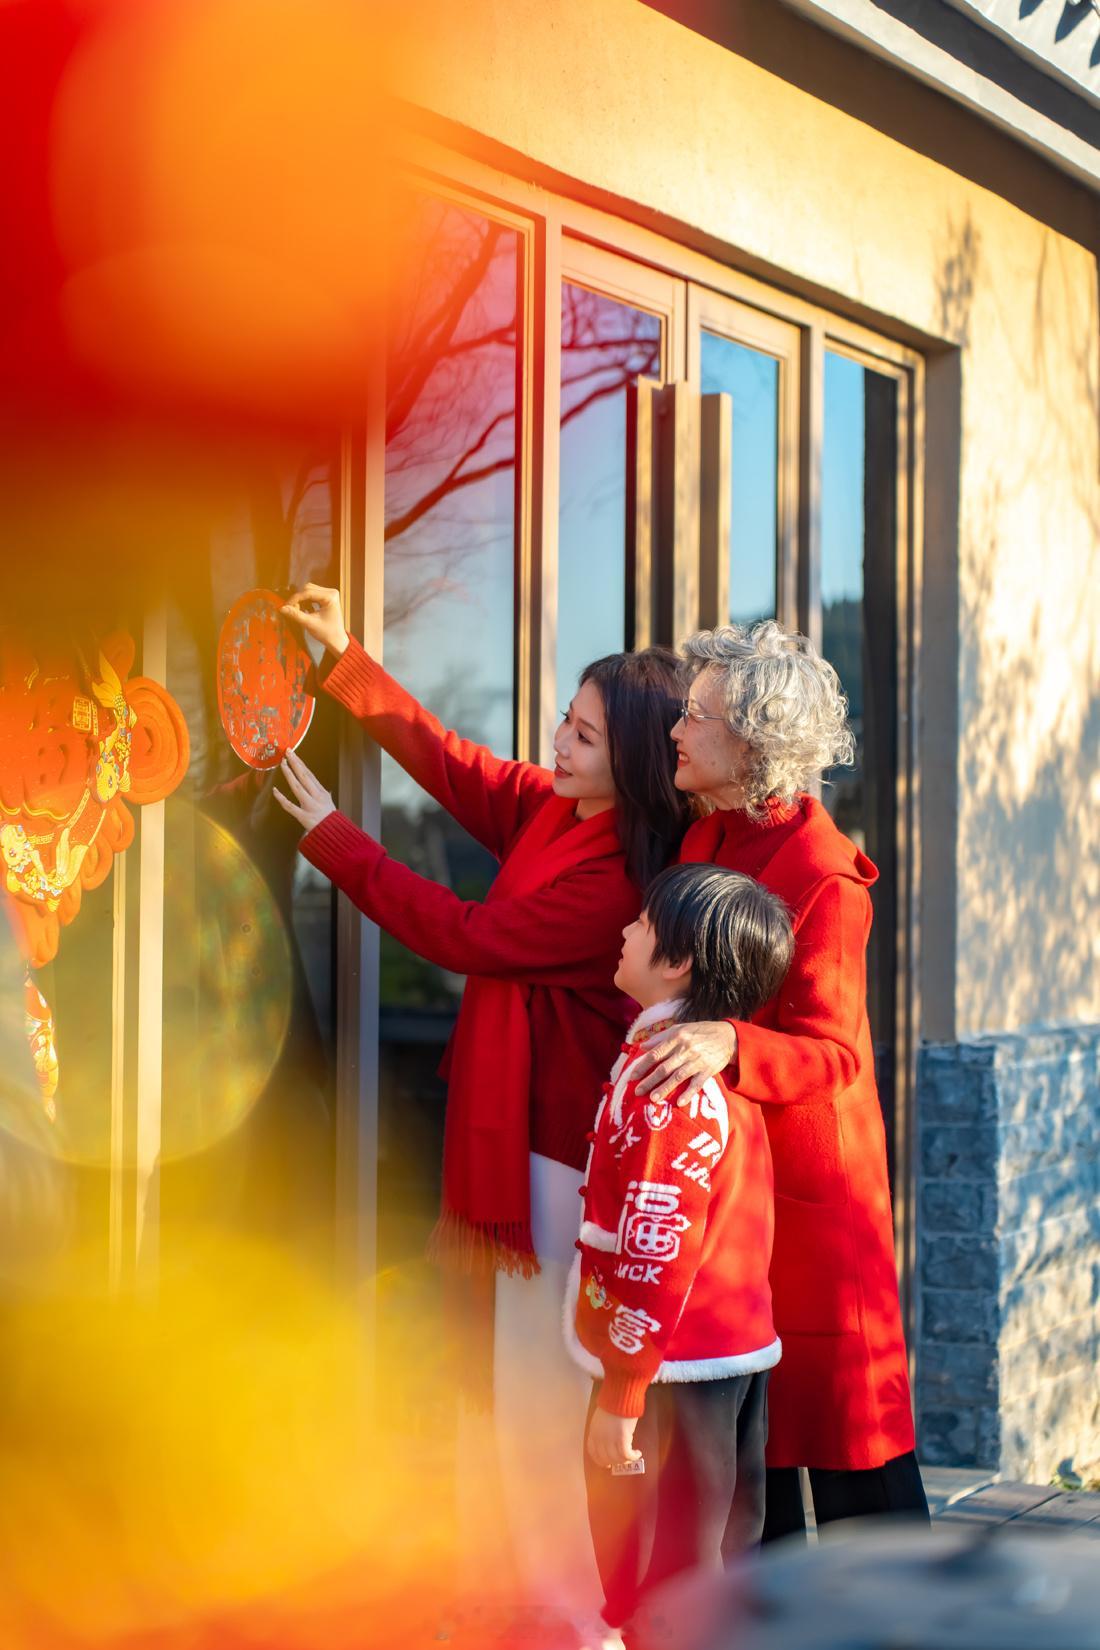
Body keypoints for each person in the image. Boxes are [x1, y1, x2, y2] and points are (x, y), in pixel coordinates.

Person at [275, 584, 690, 1634]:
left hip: (554, 1166)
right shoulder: (560, 811)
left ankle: (563, 1619)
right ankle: (501, 1601)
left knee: (535, 1407)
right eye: (565, 718)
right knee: (492, 1395)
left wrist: (332, 838)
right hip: (517, 1155)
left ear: (631, 759)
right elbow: (455, 766)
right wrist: (344, 663)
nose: (558, 738)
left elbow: (466, 937)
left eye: (584, 733)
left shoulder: (611, 883)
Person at [629, 622, 929, 1539]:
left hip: (814, 1205)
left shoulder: (828, 885)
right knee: (755, 1484)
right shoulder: (708, 834)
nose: (676, 728)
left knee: (854, 1478)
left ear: (754, 745)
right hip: (740, 1189)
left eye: (698, 715)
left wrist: (727, 1041)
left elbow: (835, 1055)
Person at [566, 863, 795, 1642]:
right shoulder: (686, 1065)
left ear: (679, 961)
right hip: (711, 1359)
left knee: (667, 1582)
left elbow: (659, 1246)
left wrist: (622, 1394)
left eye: (640, 921)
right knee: (707, 1569)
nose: (625, 930)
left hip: (670, 1369)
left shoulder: (673, 1083)